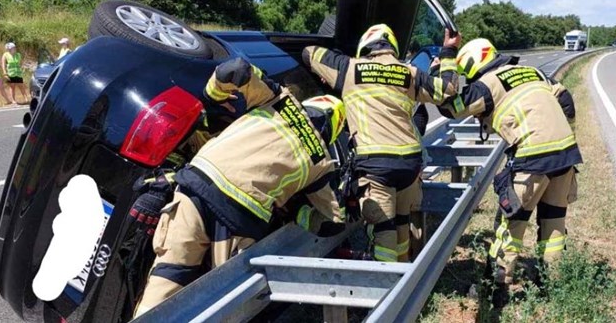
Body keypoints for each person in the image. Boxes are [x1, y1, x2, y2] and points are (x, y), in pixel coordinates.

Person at [134, 57, 346, 316]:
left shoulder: (280, 98)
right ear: (334, 130)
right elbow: (332, 223)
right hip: (239, 215)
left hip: (196, 182)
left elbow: (235, 69)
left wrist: (212, 95)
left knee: (167, 278)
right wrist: (296, 211)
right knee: (225, 303)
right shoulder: (322, 161)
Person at [301, 24, 461, 262]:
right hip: (410, 164)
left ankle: (387, 287)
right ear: (392, 48)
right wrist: (448, 53)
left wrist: (337, 56)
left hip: (375, 167)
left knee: (384, 231)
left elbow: (309, 52)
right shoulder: (410, 73)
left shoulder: (349, 68)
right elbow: (447, 90)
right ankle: (405, 268)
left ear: (365, 47)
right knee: (401, 222)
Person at [440, 38, 581, 290]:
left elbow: (451, 106)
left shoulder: (487, 85)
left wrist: (445, 59)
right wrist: (558, 134)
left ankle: (498, 287)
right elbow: (567, 101)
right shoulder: (535, 72)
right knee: (553, 221)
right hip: (566, 154)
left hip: (532, 159)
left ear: (473, 66)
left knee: (510, 226)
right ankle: (551, 284)